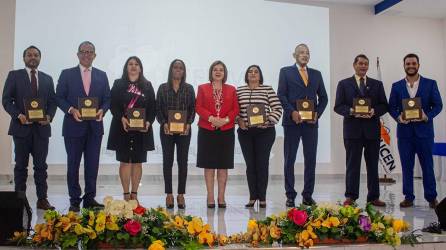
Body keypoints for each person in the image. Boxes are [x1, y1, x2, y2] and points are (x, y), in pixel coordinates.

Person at [56, 41, 111, 212]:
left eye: (90, 52)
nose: (87, 54)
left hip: (95, 128)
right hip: (73, 127)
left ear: (95, 55)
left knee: (92, 164)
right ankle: (74, 199)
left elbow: (107, 99)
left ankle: (89, 198)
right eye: (83, 51)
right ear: (78, 54)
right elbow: (59, 97)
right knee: (73, 164)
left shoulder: (102, 75)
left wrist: (102, 110)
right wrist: (71, 110)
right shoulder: (67, 74)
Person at [2, 45, 57, 210]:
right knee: (20, 166)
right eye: (29, 55)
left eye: (36, 55)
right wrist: (18, 115)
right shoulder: (14, 76)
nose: (32, 57)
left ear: (40, 58)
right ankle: (19, 201)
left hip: (41, 130)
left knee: (41, 167)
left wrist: (49, 116)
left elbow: (53, 101)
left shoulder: (47, 78)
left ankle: (42, 199)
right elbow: (6, 100)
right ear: (24, 58)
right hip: (21, 129)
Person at [388, 53, 443, 209]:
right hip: (405, 134)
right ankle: (408, 197)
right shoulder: (396, 86)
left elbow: (438, 105)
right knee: (406, 166)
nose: (411, 66)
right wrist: (398, 117)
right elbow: (391, 107)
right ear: (404, 66)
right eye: (408, 64)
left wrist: (427, 116)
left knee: (427, 166)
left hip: (424, 133)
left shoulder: (431, 84)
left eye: (413, 63)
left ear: (418, 65)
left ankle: (432, 198)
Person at [334, 54, 388, 207]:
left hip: (372, 132)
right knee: (352, 165)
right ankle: (351, 197)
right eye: (360, 63)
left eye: (366, 64)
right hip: (352, 132)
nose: (363, 66)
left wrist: (374, 111)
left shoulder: (377, 84)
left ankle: (373, 197)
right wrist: (351, 111)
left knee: (372, 166)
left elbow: (384, 105)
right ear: (354, 65)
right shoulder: (344, 84)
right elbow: (338, 106)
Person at [277, 44, 328, 207]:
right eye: (301, 53)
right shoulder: (285, 72)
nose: (304, 55)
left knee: (310, 159)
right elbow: (281, 95)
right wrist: (291, 111)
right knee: (289, 159)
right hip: (292, 122)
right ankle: (290, 195)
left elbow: (324, 98)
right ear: (294, 55)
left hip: (311, 124)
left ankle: (308, 195)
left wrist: (317, 114)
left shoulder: (316, 74)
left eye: (307, 53)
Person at [107, 56, 156, 203]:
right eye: (130, 64)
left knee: (137, 162)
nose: (133, 66)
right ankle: (126, 195)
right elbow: (113, 105)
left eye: (136, 64)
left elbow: (153, 108)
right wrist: (121, 117)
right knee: (125, 162)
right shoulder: (118, 84)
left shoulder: (147, 85)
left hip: (141, 131)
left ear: (140, 68)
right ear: (126, 67)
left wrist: (148, 122)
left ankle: (135, 195)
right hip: (122, 128)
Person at [237, 65, 282, 208]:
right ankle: (252, 197)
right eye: (250, 71)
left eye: (256, 72)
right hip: (245, 133)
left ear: (260, 75)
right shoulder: (239, 90)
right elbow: (234, 110)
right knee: (250, 165)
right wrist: (239, 120)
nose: (253, 74)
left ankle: (262, 197)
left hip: (265, 132)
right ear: (246, 75)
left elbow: (277, 107)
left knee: (262, 164)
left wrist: (268, 120)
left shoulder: (267, 89)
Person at [196, 60, 239, 208]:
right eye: (215, 69)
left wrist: (225, 120)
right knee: (209, 166)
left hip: (226, 131)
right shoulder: (202, 88)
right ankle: (210, 197)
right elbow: (199, 107)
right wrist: (211, 118)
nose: (218, 71)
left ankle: (221, 197)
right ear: (211, 72)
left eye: (221, 69)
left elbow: (235, 109)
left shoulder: (232, 89)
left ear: (225, 73)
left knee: (223, 166)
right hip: (207, 130)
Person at [156, 59, 195, 209]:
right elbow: (158, 108)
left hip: (184, 131)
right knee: (168, 161)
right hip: (166, 130)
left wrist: (189, 124)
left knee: (182, 162)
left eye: (181, 68)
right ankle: (169, 195)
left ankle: (180, 195)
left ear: (184, 71)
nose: (178, 70)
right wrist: (164, 123)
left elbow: (193, 109)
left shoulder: (189, 88)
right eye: (175, 67)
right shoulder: (162, 88)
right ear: (171, 70)